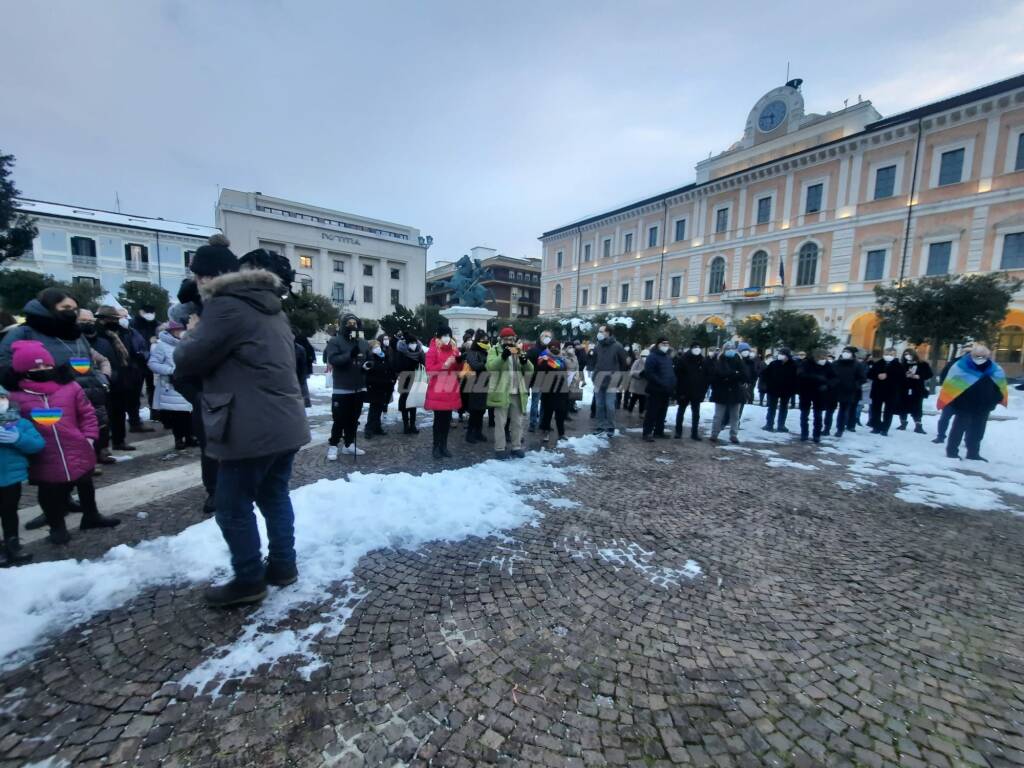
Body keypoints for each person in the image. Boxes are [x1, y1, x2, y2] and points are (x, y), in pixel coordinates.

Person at [173, 246, 310, 607]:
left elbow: (188, 358)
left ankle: (248, 579)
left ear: (205, 277)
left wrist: (191, 333)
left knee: (231, 505)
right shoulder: (270, 306)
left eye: (197, 276)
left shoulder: (226, 305)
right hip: (284, 421)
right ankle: (282, 565)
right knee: (274, 495)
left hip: (249, 425)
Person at [6, 340, 120, 545]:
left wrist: (88, 437)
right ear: (22, 369)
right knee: (49, 491)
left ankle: (91, 515)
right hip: (42, 452)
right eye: (35, 366)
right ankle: (57, 526)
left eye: (46, 365)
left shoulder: (70, 386)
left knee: (85, 482)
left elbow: (87, 413)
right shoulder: (15, 397)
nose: (42, 369)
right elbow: (12, 423)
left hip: (76, 445)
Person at [938, 343, 1007, 461]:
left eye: (983, 356)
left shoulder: (995, 369)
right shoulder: (961, 366)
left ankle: (973, 453)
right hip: (964, 405)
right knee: (958, 428)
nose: (980, 358)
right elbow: (950, 384)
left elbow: (999, 388)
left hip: (983, 406)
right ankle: (952, 452)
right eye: (977, 356)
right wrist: (957, 401)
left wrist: (992, 402)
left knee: (978, 430)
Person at [0, 385, 45, 566]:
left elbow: (37, 444)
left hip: (11, 478)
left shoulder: (19, 423)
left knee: (9, 512)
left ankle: (13, 545)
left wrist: (17, 438)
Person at [96, 305, 153, 444]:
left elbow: (134, 348)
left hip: (128, 371)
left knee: (124, 406)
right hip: (108, 374)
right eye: (111, 318)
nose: (115, 321)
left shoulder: (125, 332)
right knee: (110, 409)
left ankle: (120, 439)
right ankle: (109, 438)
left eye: (116, 318)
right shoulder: (97, 334)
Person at [324, 314, 369, 459]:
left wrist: (369, 365)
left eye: (354, 322)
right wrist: (350, 354)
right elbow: (333, 359)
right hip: (342, 388)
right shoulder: (335, 341)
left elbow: (368, 358)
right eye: (349, 323)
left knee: (353, 418)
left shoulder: (362, 341)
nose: (352, 325)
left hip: (359, 386)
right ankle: (333, 445)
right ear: (344, 324)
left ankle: (349, 444)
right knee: (339, 419)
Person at [486, 327, 533, 459]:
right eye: (506, 339)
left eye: (511, 339)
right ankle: (500, 448)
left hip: (517, 392)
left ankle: (516, 447)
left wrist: (525, 361)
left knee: (517, 422)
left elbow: (530, 370)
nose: (509, 341)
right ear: (501, 340)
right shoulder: (494, 350)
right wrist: (502, 357)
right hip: (501, 392)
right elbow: (490, 367)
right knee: (500, 422)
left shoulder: (518, 351)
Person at [147, 320, 194, 450]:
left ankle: (190, 437)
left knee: (190, 413)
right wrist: (170, 370)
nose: (180, 332)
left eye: (181, 329)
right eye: (177, 329)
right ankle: (178, 438)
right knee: (177, 414)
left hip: (189, 382)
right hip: (172, 384)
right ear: (171, 331)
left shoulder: (190, 342)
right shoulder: (162, 346)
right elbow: (153, 363)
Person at [425, 325, 462, 460]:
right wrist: (444, 365)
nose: (446, 338)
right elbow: (429, 370)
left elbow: (459, 370)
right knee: (438, 420)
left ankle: (444, 446)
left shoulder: (454, 349)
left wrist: (459, 362)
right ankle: (436, 447)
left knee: (447, 420)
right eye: (444, 335)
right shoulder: (433, 350)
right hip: (438, 389)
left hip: (451, 388)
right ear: (439, 337)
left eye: (448, 335)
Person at [589, 325, 628, 438]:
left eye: (601, 331)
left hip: (612, 381)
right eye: (599, 331)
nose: (599, 333)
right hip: (598, 380)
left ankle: (610, 427)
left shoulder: (617, 346)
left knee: (610, 405)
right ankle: (600, 426)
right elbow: (593, 360)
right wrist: (593, 374)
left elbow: (623, 363)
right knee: (599, 405)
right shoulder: (598, 346)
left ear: (608, 333)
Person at [709, 341, 749, 444]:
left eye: (732, 348)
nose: (730, 350)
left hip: (736, 392)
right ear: (724, 350)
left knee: (735, 416)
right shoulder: (719, 360)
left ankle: (734, 435)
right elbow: (718, 375)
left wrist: (730, 375)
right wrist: (734, 374)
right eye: (728, 349)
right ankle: (714, 434)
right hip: (721, 392)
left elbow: (744, 375)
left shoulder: (738, 360)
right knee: (718, 415)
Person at [932, 344, 972, 444]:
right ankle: (941, 436)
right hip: (951, 395)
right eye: (967, 352)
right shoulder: (954, 362)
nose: (968, 354)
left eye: (970, 352)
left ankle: (966, 439)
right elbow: (943, 375)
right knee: (944, 418)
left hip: (967, 397)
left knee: (965, 420)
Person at [797, 349, 838, 443]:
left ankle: (817, 435)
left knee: (818, 415)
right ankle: (804, 433)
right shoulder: (806, 364)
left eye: (825, 357)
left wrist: (827, 385)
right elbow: (801, 375)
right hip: (806, 391)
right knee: (804, 414)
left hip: (820, 393)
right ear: (816, 357)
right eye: (821, 357)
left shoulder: (828, 365)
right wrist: (816, 378)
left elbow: (835, 378)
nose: (823, 359)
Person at [642, 338, 676, 442]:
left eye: (667, 343)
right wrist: (661, 382)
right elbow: (649, 373)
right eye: (663, 343)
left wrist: (672, 383)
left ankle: (659, 431)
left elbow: (670, 372)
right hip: (655, 389)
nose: (666, 345)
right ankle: (647, 433)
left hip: (666, 390)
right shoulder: (652, 357)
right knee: (652, 412)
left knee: (662, 412)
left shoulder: (667, 357)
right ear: (658, 345)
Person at [536, 339, 570, 443]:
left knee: (560, 413)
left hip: (561, 390)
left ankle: (561, 433)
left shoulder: (562, 359)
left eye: (556, 347)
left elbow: (565, 370)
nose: (554, 349)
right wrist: (546, 362)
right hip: (549, 389)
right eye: (551, 347)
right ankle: (545, 433)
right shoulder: (544, 358)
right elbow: (540, 370)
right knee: (547, 413)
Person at [867, 347, 905, 436]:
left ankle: (885, 428)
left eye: (891, 354)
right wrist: (877, 376)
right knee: (876, 409)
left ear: (895, 355)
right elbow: (869, 374)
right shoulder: (878, 363)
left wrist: (888, 376)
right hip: (877, 390)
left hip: (891, 391)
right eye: (887, 354)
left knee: (888, 411)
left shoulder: (899, 366)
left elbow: (902, 379)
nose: (889, 356)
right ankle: (876, 426)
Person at [674, 342, 707, 440]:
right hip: (684, 391)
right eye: (695, 347)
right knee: (681, 411)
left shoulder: (702, 360)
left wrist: (703, 391)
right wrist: (679, 391)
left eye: (699, 347)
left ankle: (694, 433)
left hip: (697, 391)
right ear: (691, 348)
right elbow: (677, 376)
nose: (697, 349)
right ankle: (678, 432)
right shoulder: (683, 359)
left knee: (696, 413)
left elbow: (705, 377)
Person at [462, 329, 490, 444]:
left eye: (486, 339)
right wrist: (487, 364)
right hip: (475, 383)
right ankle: (470, 434)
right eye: (483, 339)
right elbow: (475, 365)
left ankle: (478, 432)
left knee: (482, 410)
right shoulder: (472, 352)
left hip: (485, 383)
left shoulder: (487, 352)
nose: (486, 341)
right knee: (474, 411)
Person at [131, 304, 160, 412]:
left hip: (152, 359)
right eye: (148, 312)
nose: (150, 315)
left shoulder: (156, 324)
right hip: (138, 360)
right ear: (141, 312)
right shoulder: (134, 324)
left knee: (153, 387)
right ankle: (135, 414)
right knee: (136, 388)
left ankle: (155, 412)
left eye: (152, 313)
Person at [394, 335, 425, 434]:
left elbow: (424, 362)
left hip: (416, 378)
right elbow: (398, 365)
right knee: (404, 401)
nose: (413, 345)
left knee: (413, 401)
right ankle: (405, 425)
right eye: (411, 343)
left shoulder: (419, 351)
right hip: (405, 377)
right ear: (407, 344)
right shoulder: (401, 352)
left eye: (414, 343)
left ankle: (412, 425)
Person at [761, 348, 798, 432]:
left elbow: (796, 378)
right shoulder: (774, 364)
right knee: (771, 407)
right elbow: (764, 374)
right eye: (780, 353)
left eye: (782, 354)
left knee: (784, 408)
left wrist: (794, 389)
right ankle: (769, 424)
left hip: (786, 390)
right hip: (773, 389)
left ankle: (781, 425)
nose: (780, 355)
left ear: (787, 356)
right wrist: (767, 384)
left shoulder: (793, 365)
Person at [832, 346, 866, 437]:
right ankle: (833, 427)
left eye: (848, 352)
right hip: (837, 389)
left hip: (850, 391)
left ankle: (842, 428)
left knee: (845, 409)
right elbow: (830, 375)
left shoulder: (858, 365)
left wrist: (855, 385)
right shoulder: (836, 363)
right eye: (844, 351)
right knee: (835, 409)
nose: (845, 353)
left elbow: (862, 378)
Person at [897, 349, 933, 434]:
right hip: (904, 388)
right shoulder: (902, 364)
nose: (907, 356)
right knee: (902, 406)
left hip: (917, 389)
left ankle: (918, 425)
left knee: (917, 407)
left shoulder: (922, 364)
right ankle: (903, 422)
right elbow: (897, 375)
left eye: (909, 354)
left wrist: (919, 376)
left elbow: (929, 374)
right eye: (905, 354)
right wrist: (904, 375)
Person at [363, 339, 394, 439]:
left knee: (380, 407)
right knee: (374, 408)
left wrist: (391, 379)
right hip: (374, 386)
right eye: (375, 347)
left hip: (384, 386)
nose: (378, 348)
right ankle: (369, 428)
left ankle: (377, 427)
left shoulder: (384, 356)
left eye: (378, 346)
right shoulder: (370, 358)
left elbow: (389, 368)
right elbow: (368, 372)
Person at [527, 329, 553, 433]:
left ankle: (543, 423)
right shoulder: (533, 350)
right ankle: (533, 423)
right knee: (535, 402)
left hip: (547, 379)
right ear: (540, 337)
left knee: (545, 403)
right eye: (545, 336)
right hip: (537, 379)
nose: (547, 338)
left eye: (549, 336)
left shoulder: (551, 350)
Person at [624, 349, 649, 414]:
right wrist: (640, 373)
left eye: (646, 356)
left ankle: (641, 412)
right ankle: (629, 411)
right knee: (633, 399)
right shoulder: (637, 362)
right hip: (636, 385)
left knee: (642, 400)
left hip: (644, 385)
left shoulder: (650, 363)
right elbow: (632, 372)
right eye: (643, 356)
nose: (645, 358)